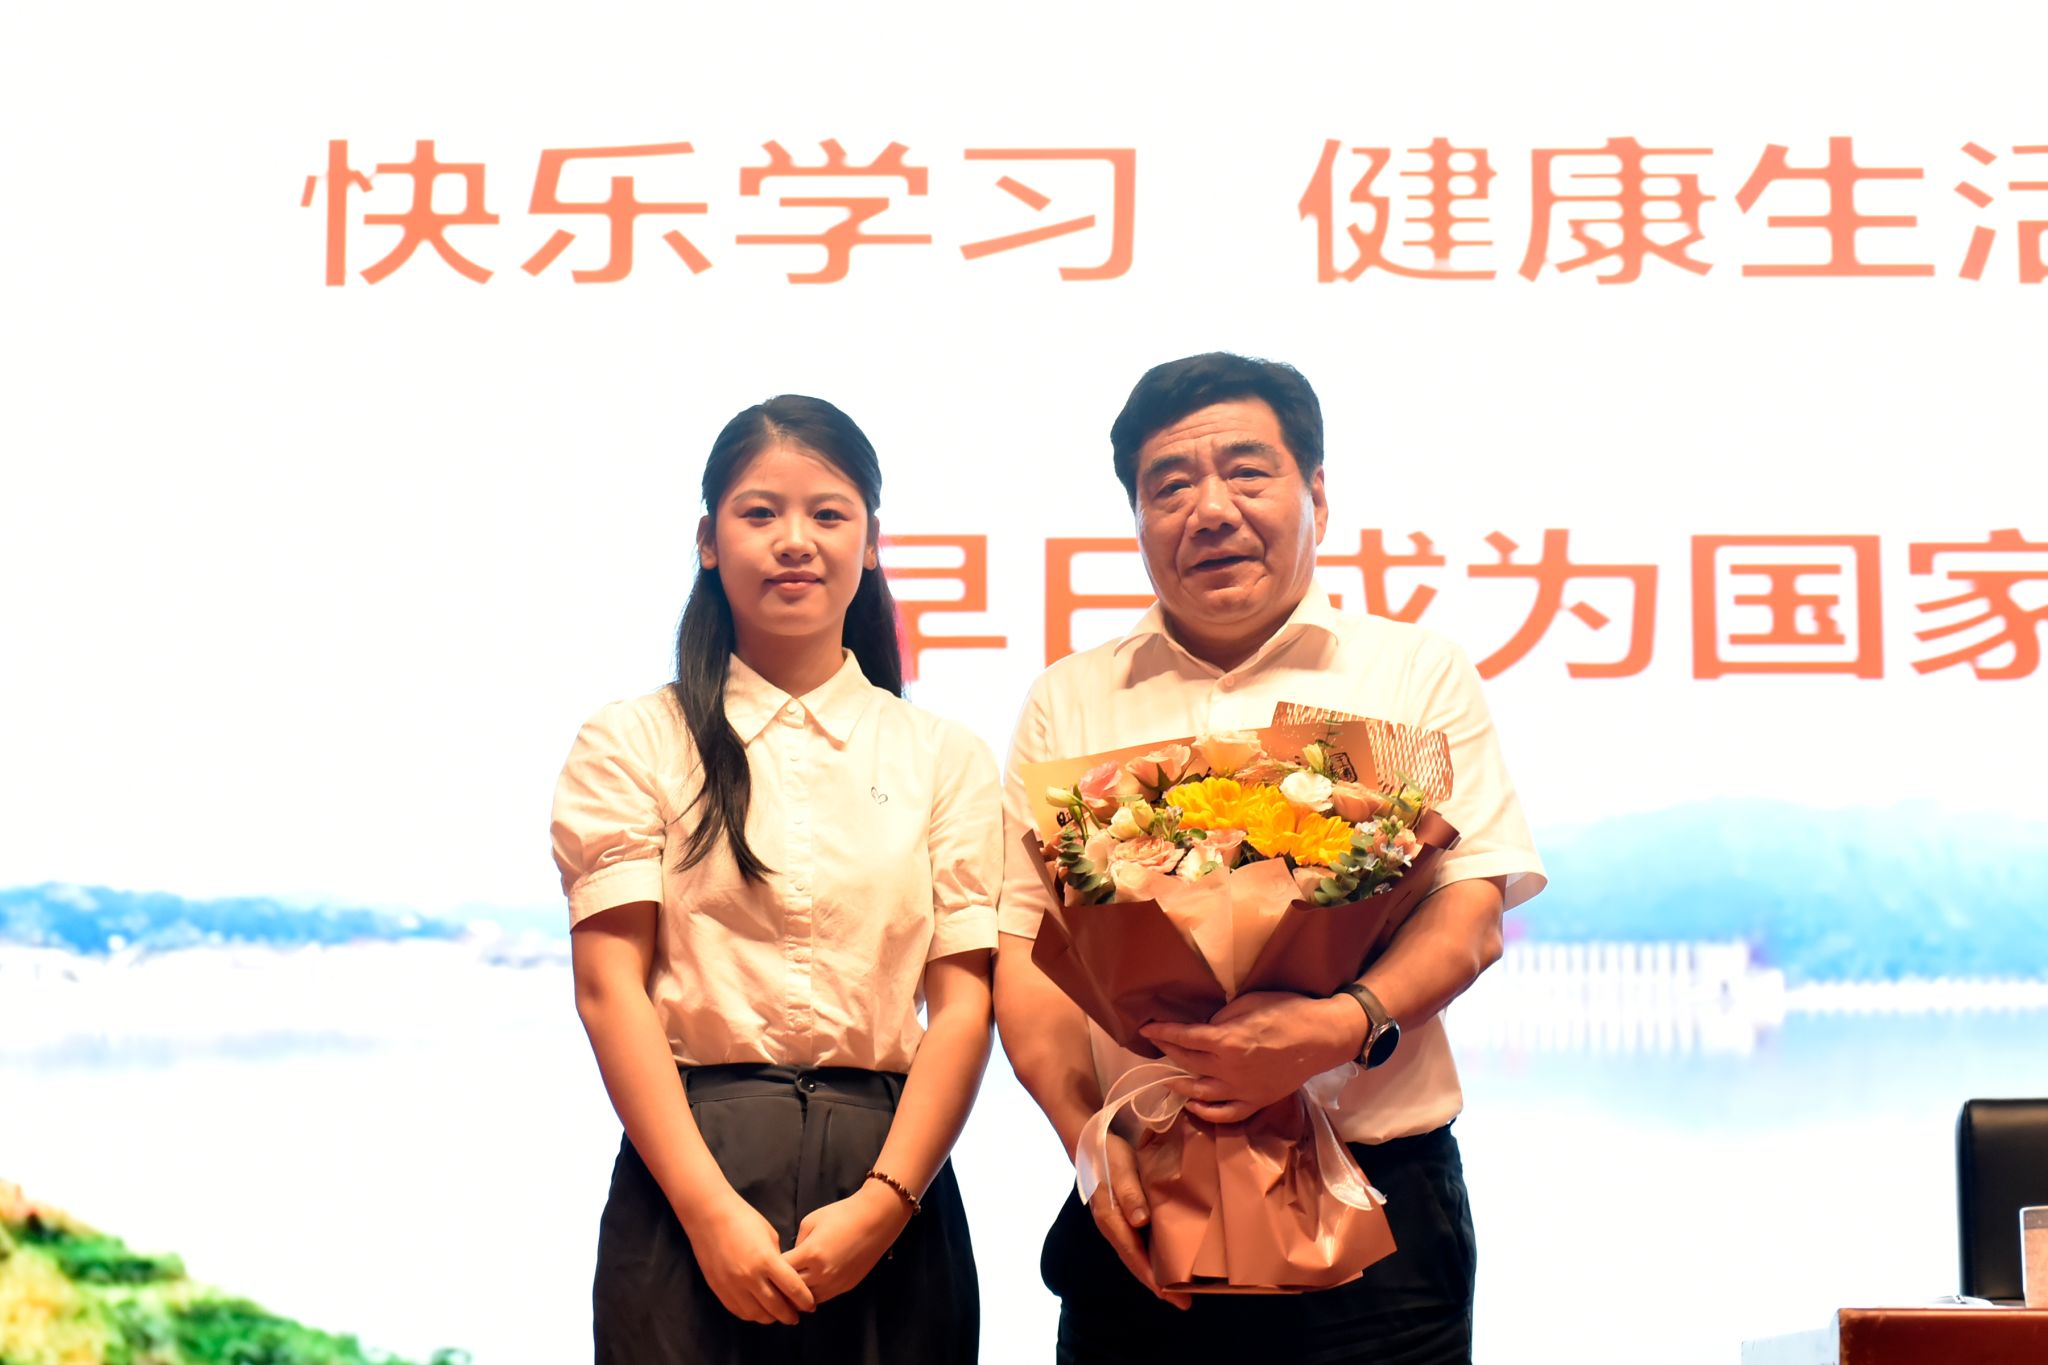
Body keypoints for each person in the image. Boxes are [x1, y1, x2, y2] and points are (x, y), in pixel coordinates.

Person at [994, 353, 1547, 1364]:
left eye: (1246, 472)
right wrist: (1087, 1145)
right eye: (1170, 486)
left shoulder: (1410, 676)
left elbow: (1467, 917)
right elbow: (1026, 960)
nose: (1211, 510)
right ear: (1135, 517)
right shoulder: (1069, 701)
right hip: (1144, 1196)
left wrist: (1334, 1027)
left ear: (1316, 495)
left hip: (1377, 1198)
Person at [551, 395, 998, 1364]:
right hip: (687, 1177)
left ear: (870, 544)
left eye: (828, 514)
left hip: (892, 1179)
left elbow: (964, 1007)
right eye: (759, 513)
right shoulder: (634, 739)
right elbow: (608, 989)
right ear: (708, 542)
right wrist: (708, 1211)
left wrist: (886, 1203)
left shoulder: (944, 756)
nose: (795, 540)